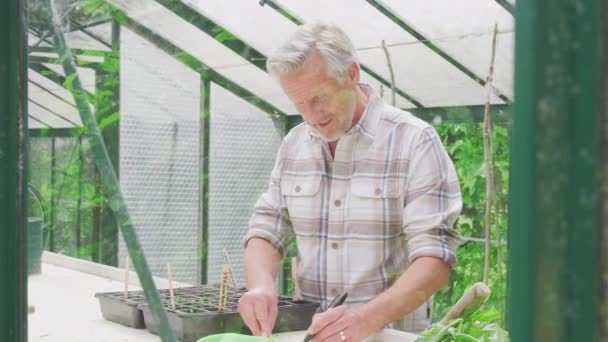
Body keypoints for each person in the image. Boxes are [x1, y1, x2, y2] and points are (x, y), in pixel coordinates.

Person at [238, 21, 462, 342]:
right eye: (298, 103)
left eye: (319, 97)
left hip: (388, 336)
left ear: (352, 74)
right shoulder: (294, 144)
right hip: (314, 335)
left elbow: (436, 259)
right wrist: (260, 286)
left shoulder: (413, 141)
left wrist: (364, 320)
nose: (311, 115)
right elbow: (267, 229)